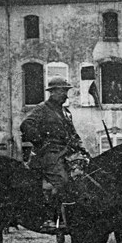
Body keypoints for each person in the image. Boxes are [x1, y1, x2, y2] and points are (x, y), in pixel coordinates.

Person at [20, 77, 89, 232]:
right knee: (62, 182)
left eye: (66, 91)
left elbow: (73, 134)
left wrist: (81, 148)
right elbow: (26, 125)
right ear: (53, 92)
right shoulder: (42, 109)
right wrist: (41, 143)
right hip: (48, 155)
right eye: (63, 91)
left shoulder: (66, 112)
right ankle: (49, 218)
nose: (66, 95)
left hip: (66, 153)